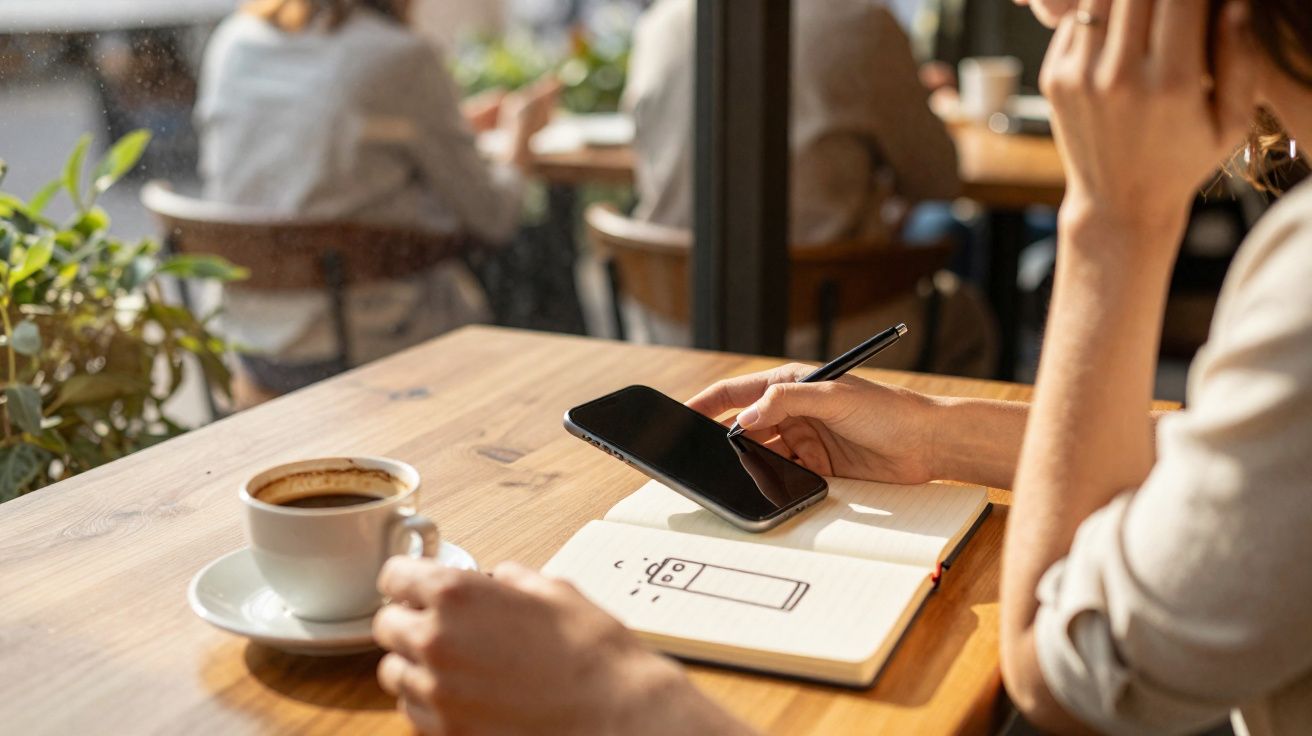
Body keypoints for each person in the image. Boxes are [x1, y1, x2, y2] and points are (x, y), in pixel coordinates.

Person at [372, 0, 1312, 733]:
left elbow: (1059, 678)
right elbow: (1261, 474)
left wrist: (1112, 224)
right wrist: (939, 434)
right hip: (858, 299)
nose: (1034, 8)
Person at [196, 0, 557, 397]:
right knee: (536, 263)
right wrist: (521, 135)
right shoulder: (400, 56)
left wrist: (451, 126)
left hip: (253, 343)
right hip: (370, 346)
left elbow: (310, 149)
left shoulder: (233, 41)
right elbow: (494, 216)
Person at [619, 0, 996, 374]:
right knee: (970, 320)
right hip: (828, 332)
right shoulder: (864, 22)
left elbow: (642, 156)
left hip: (665, 323)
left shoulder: (661, 22)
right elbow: (938, 179)